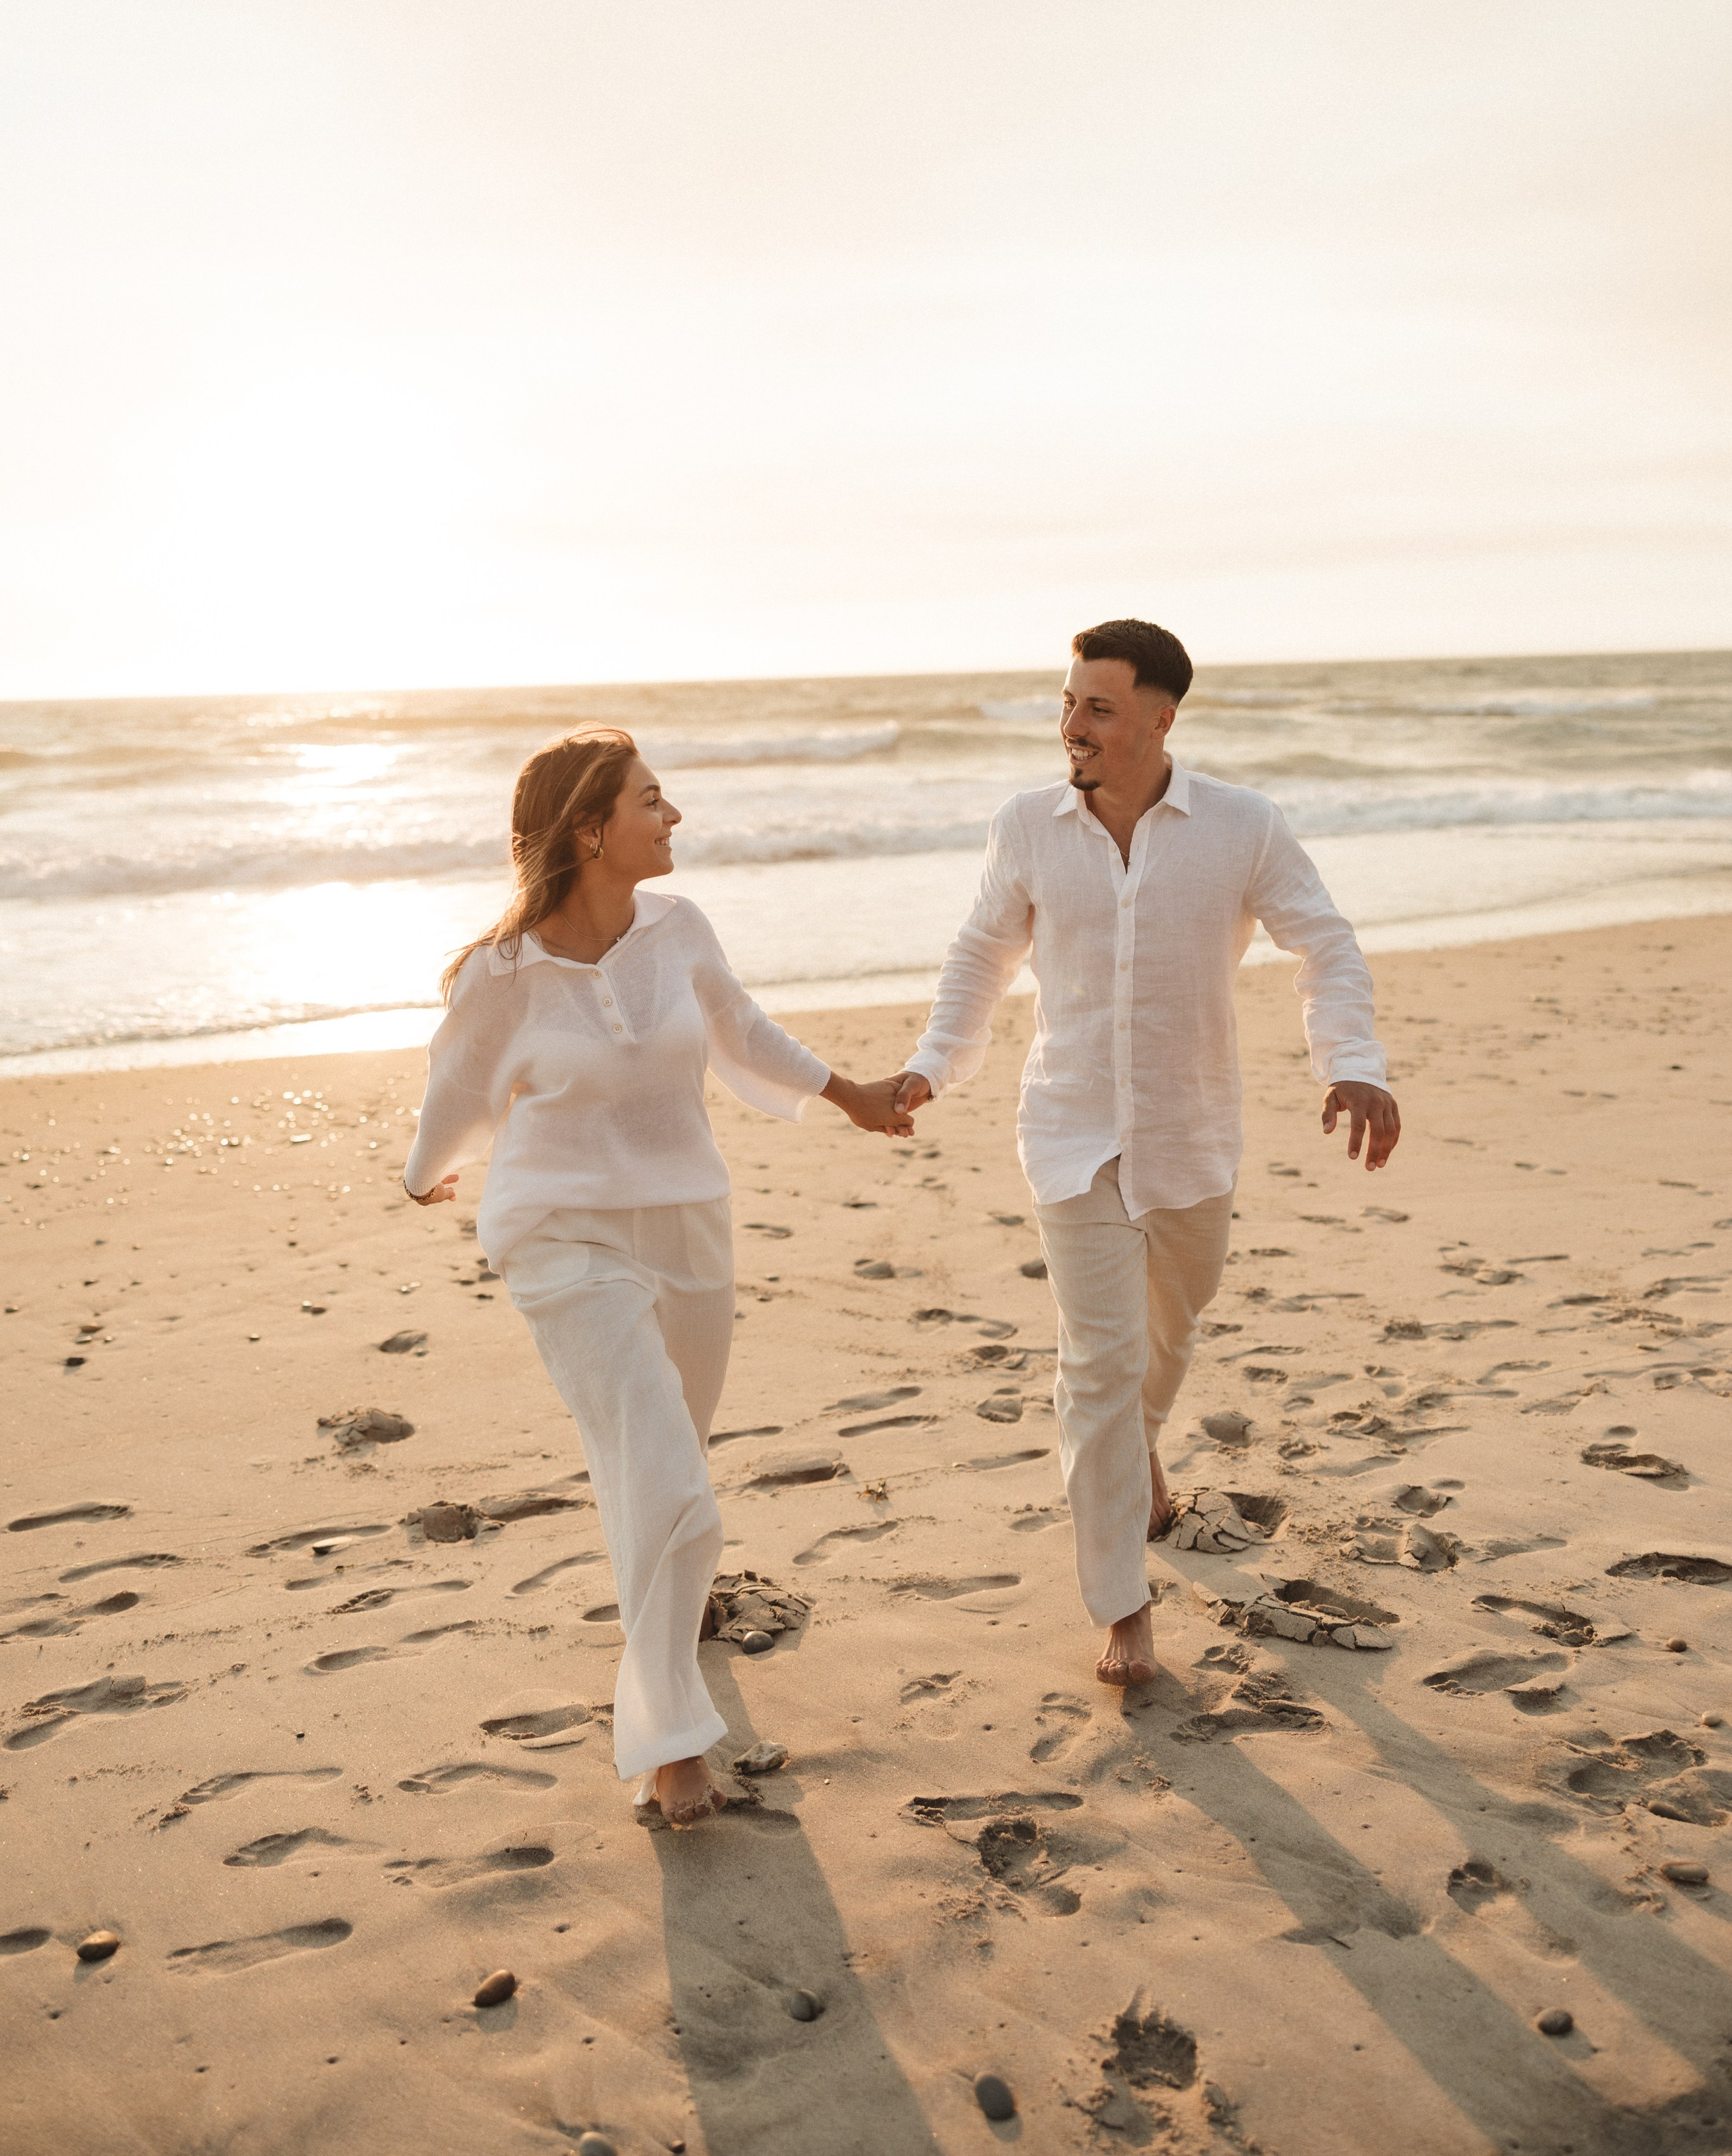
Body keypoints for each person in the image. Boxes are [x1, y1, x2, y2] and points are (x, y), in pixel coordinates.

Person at [401, 724, 910, 1826]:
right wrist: (425, 1171)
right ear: (589, 830)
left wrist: (850, 1096)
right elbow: (457, 1088)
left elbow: (742, 1029)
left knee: (660, 1466)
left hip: (689, 1228)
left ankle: (669, 1656)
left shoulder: (680, 930)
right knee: (668, 1476)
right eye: (651, 800)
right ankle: (673, 1747)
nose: (673, 816)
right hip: (562, 1238)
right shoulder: (500, 975)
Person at [894, 619, 1400, 1689]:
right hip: (1069, 1131)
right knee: (1098, 1363)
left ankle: (1144, 1453)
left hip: (1191, 1134)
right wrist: (936, 1064)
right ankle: (1122, 1604)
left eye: (1099, 707)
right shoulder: (1026, 827)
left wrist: (1353, 1063)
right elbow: (981, 954)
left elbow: (1324, 942)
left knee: (1169, 1336)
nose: (1071, 725)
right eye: (1068, 702)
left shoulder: (1242, 826)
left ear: (1161, 719)